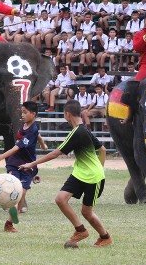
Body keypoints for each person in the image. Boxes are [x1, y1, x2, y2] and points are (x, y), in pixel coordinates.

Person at [19, 100, 111, 247]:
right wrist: (100, 167)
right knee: (61, 199)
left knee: (86, 212)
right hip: (80, 173)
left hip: (93, 178)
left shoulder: (78, 132)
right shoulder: (84, 130)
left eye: (64, 114)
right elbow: (103, 150)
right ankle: (80, 230)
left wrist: (31, 164)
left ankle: (105, 237)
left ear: (68, 114)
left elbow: (55, 154)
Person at [0, 101, 41, 233]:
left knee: (21, 194)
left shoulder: (33, 129)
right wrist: (43, 144)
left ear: (33, 114)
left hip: (28, 166)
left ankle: (9, 221)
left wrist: (0, 157)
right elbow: (21, 146)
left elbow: (17, 147)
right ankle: (9, 221)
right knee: (12, 188)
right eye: (21, 112)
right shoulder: (24, 126)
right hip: (14, 163)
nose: (22, 115)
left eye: (25, 112)